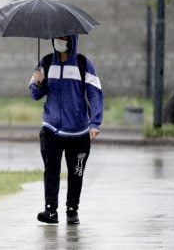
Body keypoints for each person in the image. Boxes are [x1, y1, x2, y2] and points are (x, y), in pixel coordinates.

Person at [29, 35, 103, 225]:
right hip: (51, 129)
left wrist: (95, 123)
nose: (58, 40)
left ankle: (72, 210)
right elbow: (35, 95)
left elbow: (95, 94)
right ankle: (50, 211)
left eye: (63, 37)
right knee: (51, 171)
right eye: (56, 37)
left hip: (79, 133)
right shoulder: (45, 62)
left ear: (71, 40)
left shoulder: (83, 64)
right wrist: (37, 82)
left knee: (76, 173)